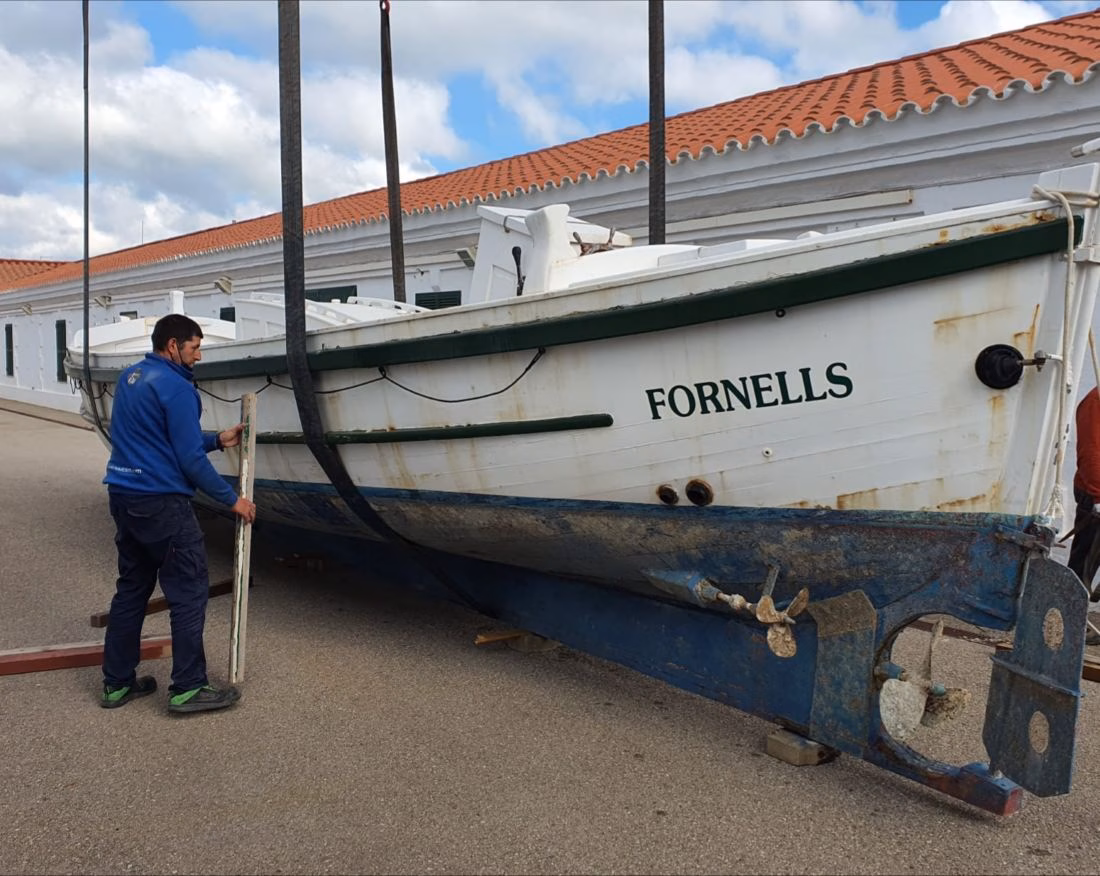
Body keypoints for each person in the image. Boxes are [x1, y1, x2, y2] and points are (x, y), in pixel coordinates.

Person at [100, 313, 257, 712]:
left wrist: (218, 440)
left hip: (124, 495)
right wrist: (231, 499)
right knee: (188, 591)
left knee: (132, 589)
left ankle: (116, 684)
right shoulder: (176, 387)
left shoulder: (131, 378)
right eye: (194, 347)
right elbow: (187, 459)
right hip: (162, 504)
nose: (198, 355)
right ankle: (188, 687)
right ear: (173, 345)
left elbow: (157, 440)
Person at [1069, 386, 1100, 645]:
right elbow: (1090, 452)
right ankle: (1071, 622)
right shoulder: (1095, 401)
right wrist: (1098, 495)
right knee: (1084, 565)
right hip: (1095, 493)